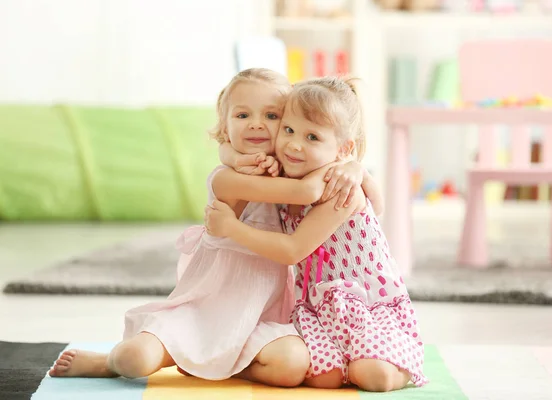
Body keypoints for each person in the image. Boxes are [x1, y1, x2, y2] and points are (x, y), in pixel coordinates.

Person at [48, 68, 367, 387]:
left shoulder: (292, 170)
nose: (256, 123)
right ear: (225, 129)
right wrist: (346, 164)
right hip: (202, 312)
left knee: (292, 366)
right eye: (243, 115)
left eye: (271, 115)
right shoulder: (227, 178)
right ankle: (107, 361)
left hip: (261, 317)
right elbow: (306, 192)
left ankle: (216, 365)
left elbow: (368, 200)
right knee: (134, 360)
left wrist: (353, 166)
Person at [205, 76, 428, 392]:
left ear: (343, 149)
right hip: (320, 308)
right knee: (324, 379)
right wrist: (237, 158)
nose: (295, 144)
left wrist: (231, 228)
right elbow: (225, 148)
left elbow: (293, 249)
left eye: (312, 137)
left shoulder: (339, 188)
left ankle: (397, 359)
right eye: (288, 130)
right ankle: (230, 365)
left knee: (373, 376)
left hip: (369, 306)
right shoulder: (286, 175)